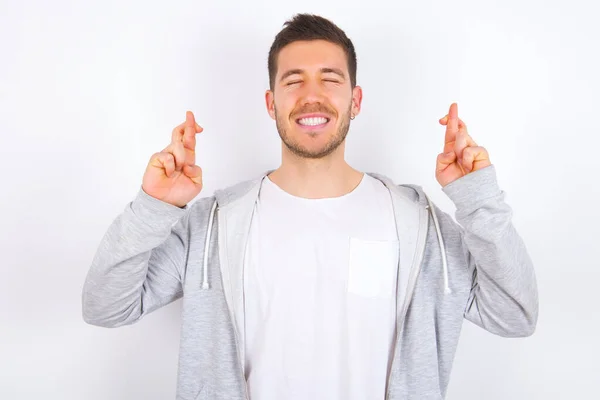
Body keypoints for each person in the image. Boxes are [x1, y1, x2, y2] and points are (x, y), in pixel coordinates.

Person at [82, 13, 538, 400]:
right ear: (271, 102)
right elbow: (106, 307)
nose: (311, 95)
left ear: (355, 101)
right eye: (293, 80)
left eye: (330, 78)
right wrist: (153, 206)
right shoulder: (213, 225)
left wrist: (477, 198)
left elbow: (515, 315)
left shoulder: (419, 226)